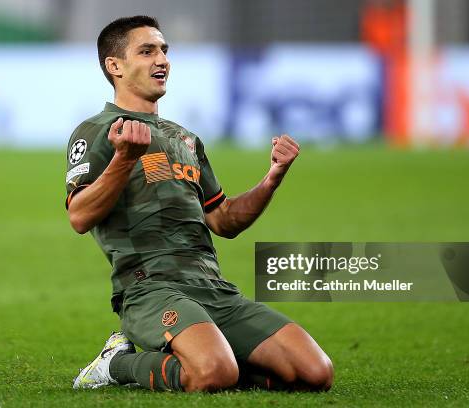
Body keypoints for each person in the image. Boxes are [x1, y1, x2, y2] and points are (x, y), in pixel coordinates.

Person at [65, 15, 333, 393]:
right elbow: (79, 216)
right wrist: (124, 158)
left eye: (163, 50)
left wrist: (272, 178)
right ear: (115, 66)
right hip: (151, 289)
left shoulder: (184, 139)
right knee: (211, 374)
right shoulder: (98, 131)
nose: (161, 60)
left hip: (214, 288)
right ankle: (117, 364)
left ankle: (218, 354)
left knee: (315, 373)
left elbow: (224, 220)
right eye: (146, 51)